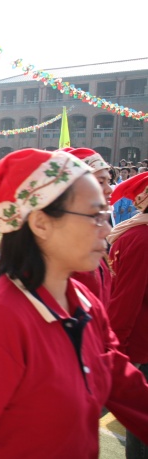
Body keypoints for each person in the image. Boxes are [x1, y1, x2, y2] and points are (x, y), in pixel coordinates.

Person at [0, 148, 148, 457]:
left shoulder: (83, 302)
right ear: (41, 223)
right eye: (93, 215)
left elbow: (124, 385)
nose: (106, 228)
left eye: (106, 213)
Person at [107, 171, 148, 458]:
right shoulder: (139, 238)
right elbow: (126, 299)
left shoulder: (134, 235)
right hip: (140, 342)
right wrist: (115, 344)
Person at [63, 148, 114, 302]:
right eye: (100, 182)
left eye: (109, 181)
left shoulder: (92, 243)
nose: (109, 189)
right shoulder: (62, 250)